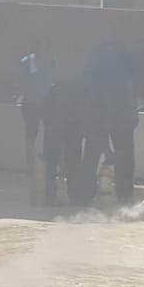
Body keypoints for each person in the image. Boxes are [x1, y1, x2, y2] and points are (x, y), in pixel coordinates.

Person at [85, 34, 138, 203]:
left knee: (95, 151)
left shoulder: (100, 57)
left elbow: (131, 86)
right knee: (121, 153)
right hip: (112, 111)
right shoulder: (121, 58)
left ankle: (85, 192)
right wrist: (133, 110)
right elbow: (131, 86)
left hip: (110, 111)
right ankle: (124, 193)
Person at [41, 76, 97, 208]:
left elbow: (45, 110)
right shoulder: (85, 94)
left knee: (52, 161)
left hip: (57, 124)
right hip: (66, 126)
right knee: (72, 161)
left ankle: (49, 196)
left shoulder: (58, 90)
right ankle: (74, 196)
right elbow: (84, 117)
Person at [20, 43, 55, 170]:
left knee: (50, 132)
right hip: (31, 102)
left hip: (46, 102)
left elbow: (51, 80)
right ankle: (31, 166)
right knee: (31, 134)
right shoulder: (26, 61)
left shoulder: (50, 60)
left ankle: (49, 164)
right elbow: (23, 79)